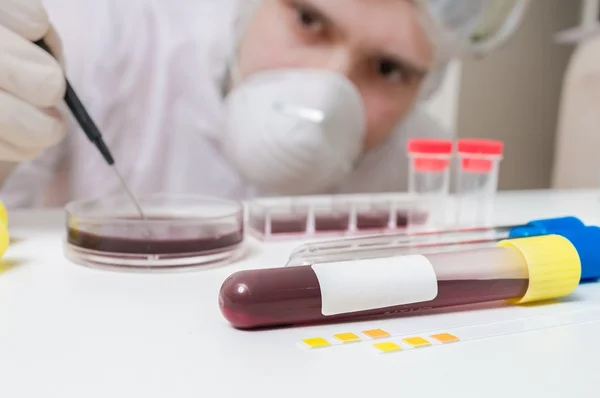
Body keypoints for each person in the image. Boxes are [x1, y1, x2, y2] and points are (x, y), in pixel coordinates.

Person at [0, 0, 530, 208]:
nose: (325, 91)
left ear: (428, 84)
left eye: (388, 70)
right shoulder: (105, 45)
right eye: (309, 21)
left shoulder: (422, 179)